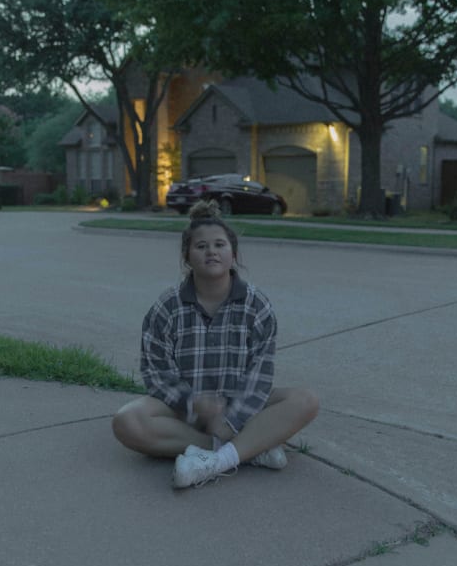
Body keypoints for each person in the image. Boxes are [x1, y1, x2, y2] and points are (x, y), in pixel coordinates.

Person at [112, 200, 319, 489]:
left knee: (306, 401)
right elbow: (156, 371)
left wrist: (231, 420)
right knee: (127, 421)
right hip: (184, 412)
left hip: (240, 408)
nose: (211, 251)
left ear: (233, 254)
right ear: (187, 256)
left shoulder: (256, 305)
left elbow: (260, 376)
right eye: (201, 246)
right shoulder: (167, 307)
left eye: (220, 245)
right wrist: (193, 403)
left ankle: (216, 461)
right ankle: (247, 450)